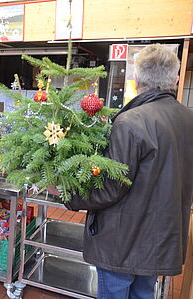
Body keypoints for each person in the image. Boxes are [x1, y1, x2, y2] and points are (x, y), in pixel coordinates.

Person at [64, 44, 193, 298]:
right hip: (160, 237)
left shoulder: (130, 121)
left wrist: (67, 194)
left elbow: (111, 187)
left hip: (121, 241)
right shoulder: (187, 119)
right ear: (176, 78)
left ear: (136, 79)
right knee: (144, 293)